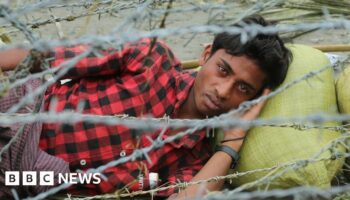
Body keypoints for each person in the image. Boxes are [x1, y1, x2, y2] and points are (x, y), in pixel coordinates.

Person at [0, 15, 291, 199]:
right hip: (20, 114)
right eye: (223, 70)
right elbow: (47, 57)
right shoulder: (151, 58)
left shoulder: (194, 160)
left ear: (252, 101)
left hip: (30, 176)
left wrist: (232, 143)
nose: (223, 91)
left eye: (243, 88)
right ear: (206, 55)